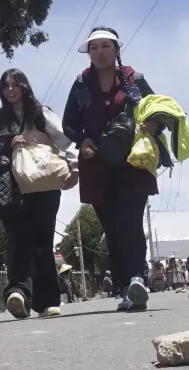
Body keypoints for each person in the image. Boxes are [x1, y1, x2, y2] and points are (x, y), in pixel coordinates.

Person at [62, 27, 161, 312]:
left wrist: (150, 125)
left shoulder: (134, 80)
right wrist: (84, 139)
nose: (99, 51)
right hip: (97, 166)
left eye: (105, 46)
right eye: (94, 47)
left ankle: (136, 279)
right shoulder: (81, 84)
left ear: (116, 49)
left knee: (130, 221)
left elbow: (160, 112)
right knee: (112, 228)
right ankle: (122, 286)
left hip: (133, 163)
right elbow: (68, 123)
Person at [0, 69, 78, 319]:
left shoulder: (41, 113)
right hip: (11, 187)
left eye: (15, 85)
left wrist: (75, 169)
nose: (10, 90)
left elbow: (66, 140)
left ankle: (48, 301)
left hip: (44, 185)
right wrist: (7, 143)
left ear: (25, 86)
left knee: (42, 241)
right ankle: (18, 293)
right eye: (5, 86)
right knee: (17, 240)